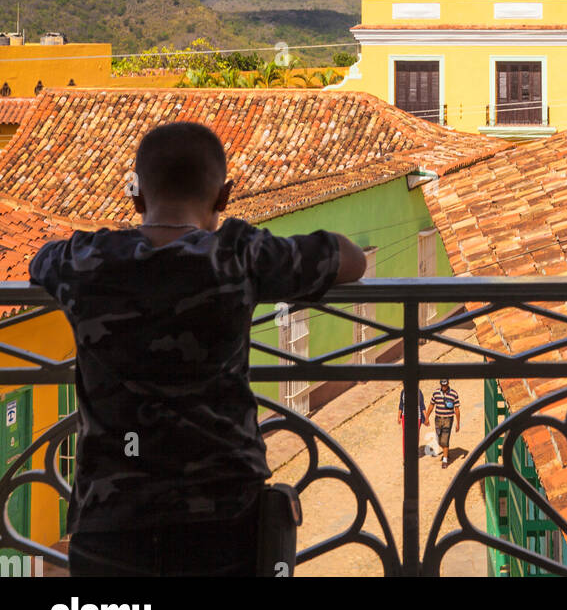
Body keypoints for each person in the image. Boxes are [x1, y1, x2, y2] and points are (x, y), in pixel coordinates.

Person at [29, 120, 366, 578]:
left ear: (136, 197)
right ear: (225, 197)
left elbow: (40, 261)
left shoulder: (85, 259)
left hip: (111, 525)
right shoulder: (238, 254)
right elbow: (352, 259)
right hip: (223, 525)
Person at [425, 378, 460, 469]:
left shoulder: (454, 394)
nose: (444, 387)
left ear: (448, 384)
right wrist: (427, 417)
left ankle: (445, 460)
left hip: (448, 419)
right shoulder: (436, 393)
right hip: (438, 419)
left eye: (445, 385)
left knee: (445, 439)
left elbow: (457, 409)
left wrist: (458, 423)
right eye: (442, 385)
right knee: (439, 440)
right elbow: (431, 405)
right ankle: (446, 452)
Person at [397, 387, 426, 455]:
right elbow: (401, 405)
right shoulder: (403, 392)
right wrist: (399, 416)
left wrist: (426, 417)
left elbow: (422, 405)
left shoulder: (419, 392)